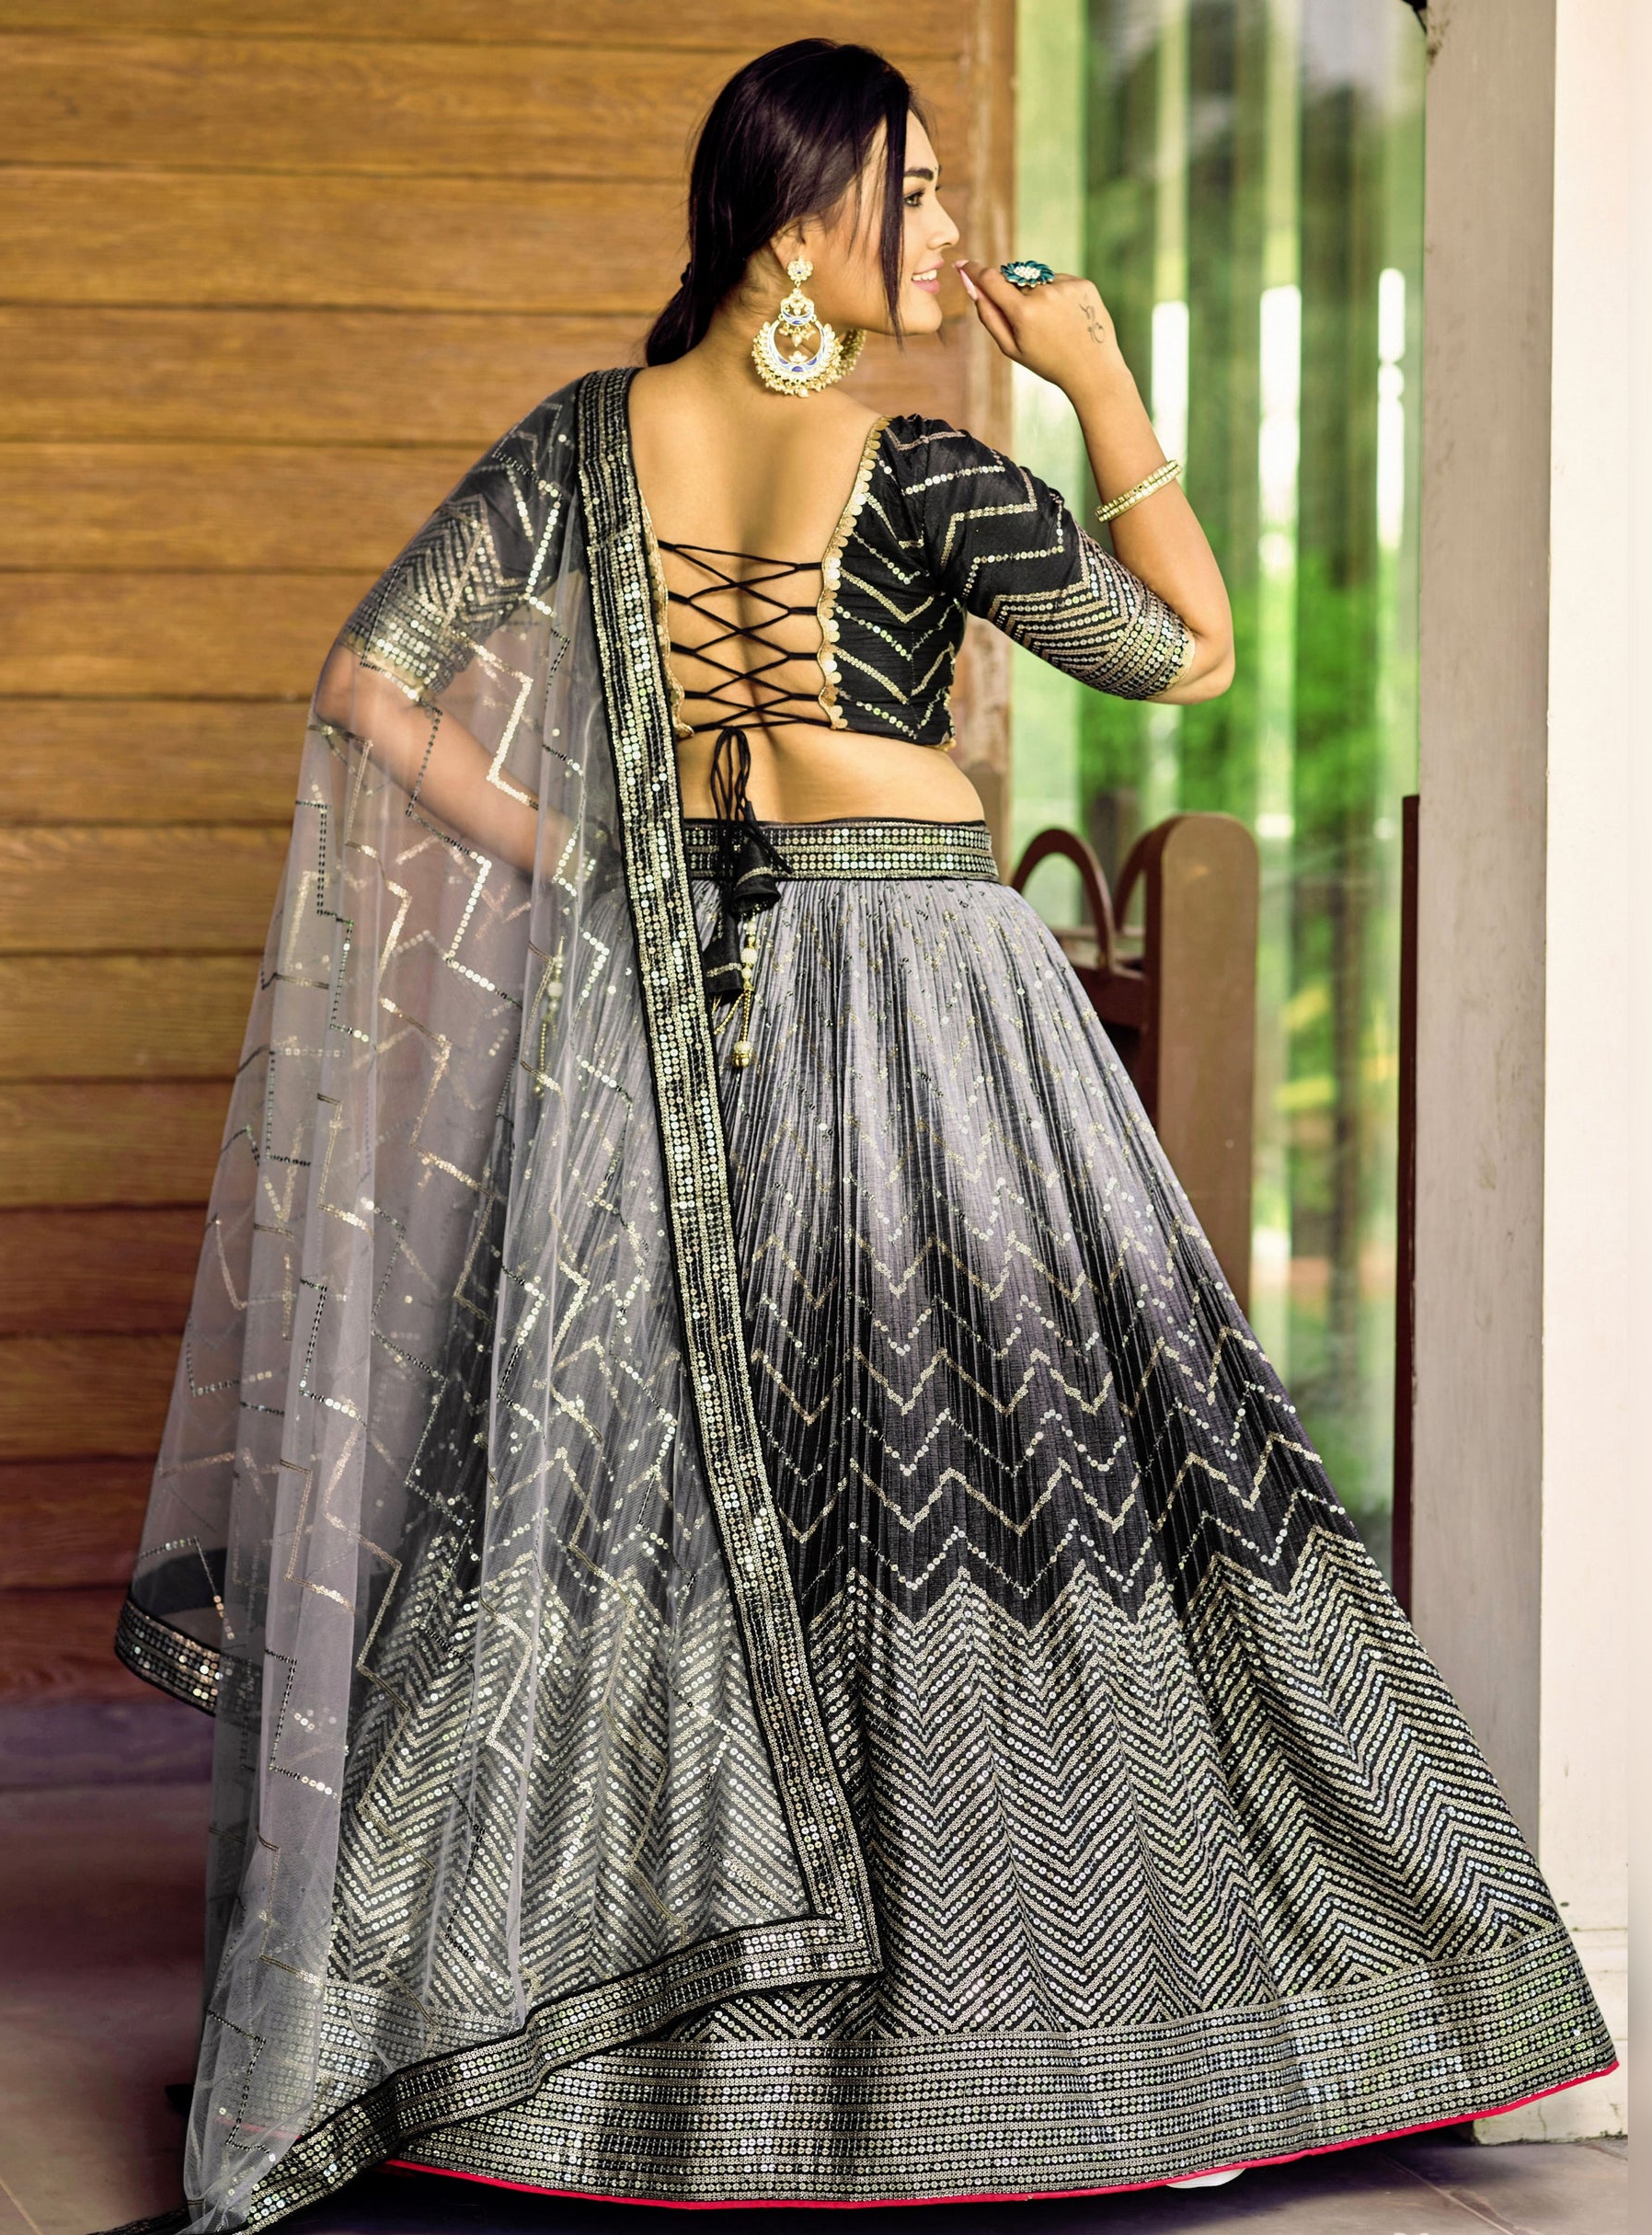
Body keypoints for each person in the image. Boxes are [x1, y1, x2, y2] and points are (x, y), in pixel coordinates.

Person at [107, 39, 1612, 2233]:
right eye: (910, 192)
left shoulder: (582, 444)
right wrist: (1100, 384)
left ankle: (571, 2046)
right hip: (915, 980)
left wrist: (591, 862)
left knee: (656, 1482)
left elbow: (368, 680)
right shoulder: (915, 469)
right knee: (989, 1465)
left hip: (665, 1003)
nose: (947, 230)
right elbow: (1182, 654)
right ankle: (1030, 2036)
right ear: (802, 220)